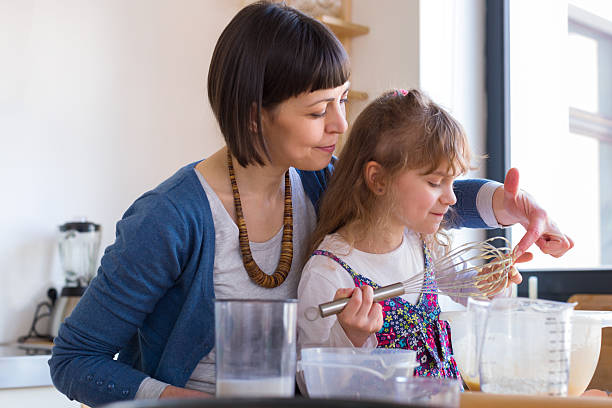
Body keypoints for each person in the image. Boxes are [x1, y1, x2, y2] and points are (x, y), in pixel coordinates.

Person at [48, 2, 572, 406]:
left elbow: (404, 196)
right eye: (320, 110)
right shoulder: (170, 219)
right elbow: (74, 360)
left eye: (343, 100)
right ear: (255, 115)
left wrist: (506, 205)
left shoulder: (316, 179)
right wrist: (192, 403)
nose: (341, 125)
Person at [297, 89, 525, 381]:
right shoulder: (329, 272)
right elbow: (309, 383)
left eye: (453, 182)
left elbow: (473, 293)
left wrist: (495, 283)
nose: (452, 198)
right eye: (435, 182)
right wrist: (349, 335)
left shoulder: (424, 244)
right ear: (378, 179)